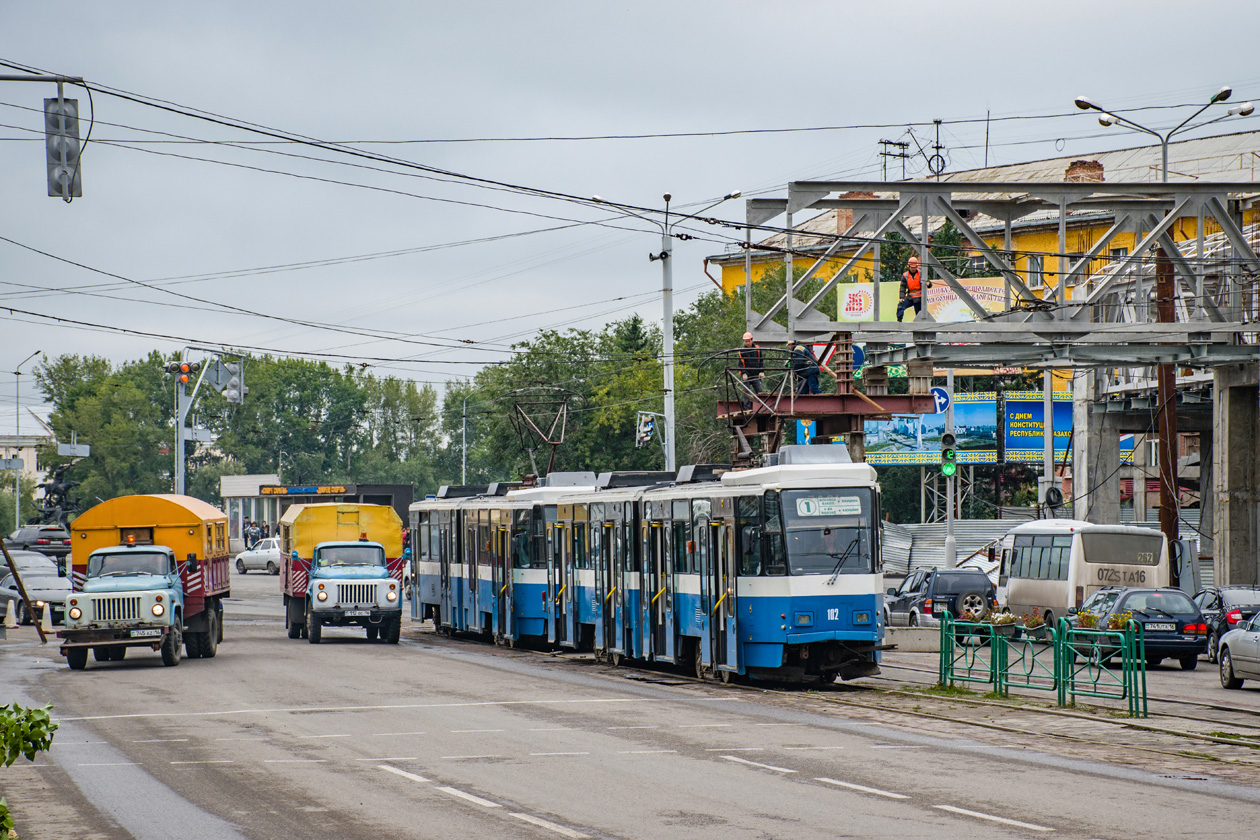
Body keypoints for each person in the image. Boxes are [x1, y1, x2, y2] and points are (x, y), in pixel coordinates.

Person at [896, 255, 932, 322]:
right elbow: (902, 287)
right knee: (901, 306)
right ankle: (899, 322)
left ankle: (920, 327)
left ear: (917, 266)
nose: (913, 269)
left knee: (919, 315)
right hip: (910, 298)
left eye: (914, 267)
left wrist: (928, 284)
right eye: (912, 267)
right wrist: (901, 297)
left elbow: (929, 283)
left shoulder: (921, 274)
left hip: (919, 298)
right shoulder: (905, 275)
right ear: (909, 266)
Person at [737, 331, 764, 408]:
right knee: (746, 392)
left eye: (748, 341)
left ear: (752, 340)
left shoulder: (757, 349)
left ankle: (760, 407)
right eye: (746, 341)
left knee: (759, 391)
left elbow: (761, 360)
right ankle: (747, 408)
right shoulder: (742, 351)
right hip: (747, 375)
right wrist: (743, 373)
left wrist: (761, 371)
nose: (747, 343)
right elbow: (740, 363)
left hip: (755, 374)